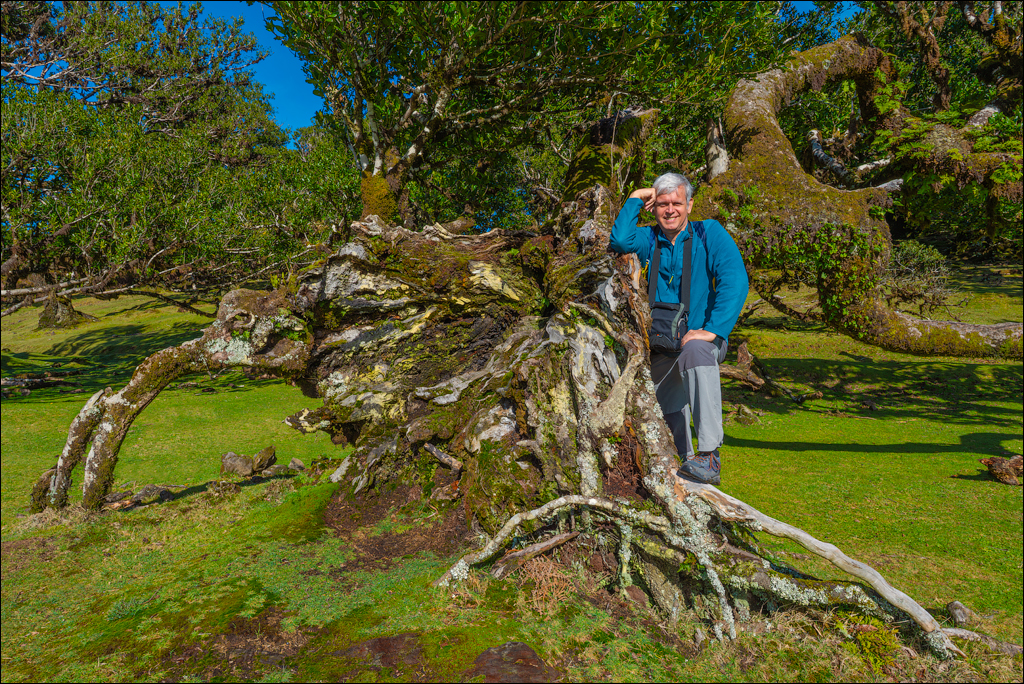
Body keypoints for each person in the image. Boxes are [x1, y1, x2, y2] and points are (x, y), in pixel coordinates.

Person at [609, 172, 748, 485]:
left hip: (701, 341)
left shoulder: (708, 233)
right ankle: (682, 461)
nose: (670, 210)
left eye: (676, 203)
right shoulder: (649, 239)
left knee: (695, 349)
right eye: (662, 204)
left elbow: (735, 279)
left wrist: (713, 330)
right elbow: (619, 241)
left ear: (690, 205)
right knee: (661, 401)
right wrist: (635, 197)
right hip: (660, 343)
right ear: (654, 207)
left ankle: (709, 454)